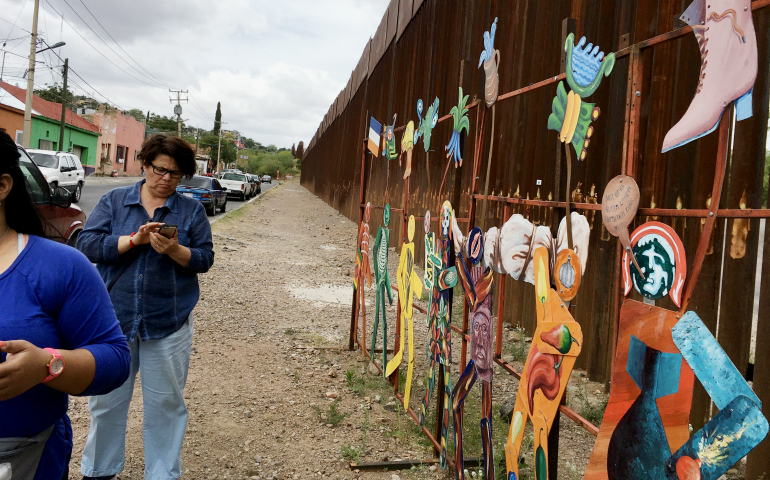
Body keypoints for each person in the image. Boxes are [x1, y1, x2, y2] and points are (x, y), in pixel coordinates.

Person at [77, 134, 214, 480]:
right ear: (145, 163)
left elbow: (204, 258)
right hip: (114, 322)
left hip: (168, 321)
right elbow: (87, 244)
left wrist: (173, 251)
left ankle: (161, 474)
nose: (166, 178)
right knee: (106, 402)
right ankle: (99, 470)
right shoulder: (114, 200)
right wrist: (133, 241)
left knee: (165, 405)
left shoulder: (191, 210)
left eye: (176, 173)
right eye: (160, 169)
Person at [0, 130, 131, 479]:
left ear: (2, 186)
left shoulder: (60, 267)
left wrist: (46, 365)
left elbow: (115, 360)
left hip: (26, 460)